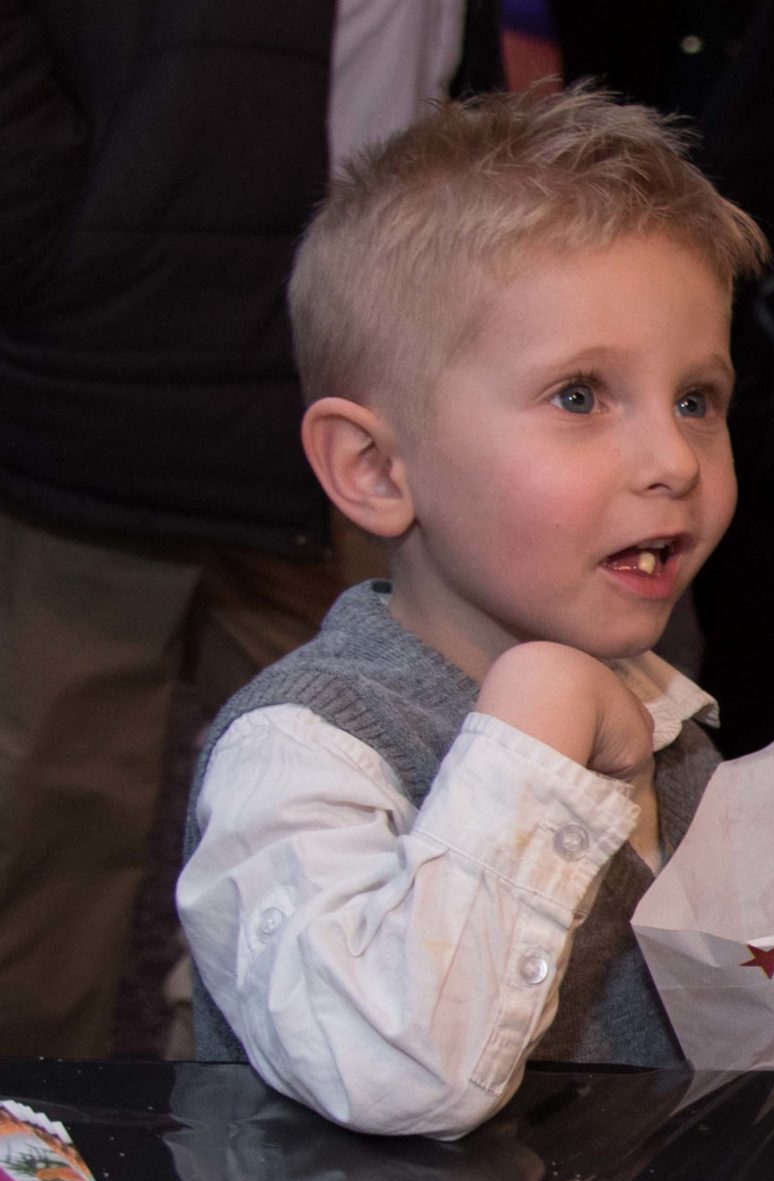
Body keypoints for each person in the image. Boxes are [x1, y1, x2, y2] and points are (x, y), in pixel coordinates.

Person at [179, 87, 774, 1140]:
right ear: (377, 467)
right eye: (580, 395)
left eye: (697, 400)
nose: (673, 461)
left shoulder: (674, 739)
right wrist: (535, 723)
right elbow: (392, 1066)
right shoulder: (302, 749)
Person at [0, 0, 502, 1060]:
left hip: (361, 401)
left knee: (369, 810)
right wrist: (55, 248)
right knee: (51, 836)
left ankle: (260, 1165)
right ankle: (36, 1171)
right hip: (117, 369)